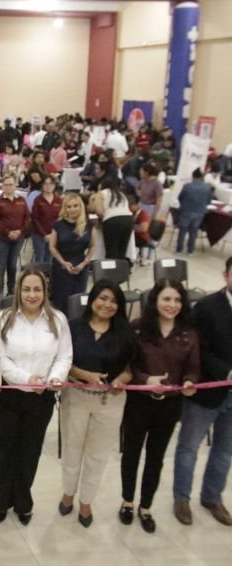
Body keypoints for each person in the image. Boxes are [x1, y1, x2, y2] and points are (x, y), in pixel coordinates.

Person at [0, 266, 72, 525]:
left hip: (41, 398)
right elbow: (0, 359)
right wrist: (27, 379)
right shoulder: (3, 319)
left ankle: (23, 502)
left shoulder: (58, 320)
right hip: (9, 396)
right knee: (7, 449)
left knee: (30, 451)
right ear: (18, 291)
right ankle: (2, 501)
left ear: (45, 291)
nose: (32, 295)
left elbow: (64, 356)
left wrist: (54, 378)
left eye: (37, 289)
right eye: (26, 289)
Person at [120, 278, 199, 533]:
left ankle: (146, 506)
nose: (172, 305)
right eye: (166, 299)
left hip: (169, 407)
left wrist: (189, 382)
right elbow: (128, 365)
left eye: (177, 300)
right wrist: (146, 380)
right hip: (138, 404)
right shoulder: (137, 329)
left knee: (155, 458)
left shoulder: (188, 334)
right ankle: (127, 501)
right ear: (155, 300)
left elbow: (193, 368)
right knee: (131, 453)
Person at [59, 281, 135, 528]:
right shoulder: (73, 327)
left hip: (110, 402)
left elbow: (131, 369)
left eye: (113, 301)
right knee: (72, 450)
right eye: (103, 298)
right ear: (92, 299)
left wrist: (122, 379)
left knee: (97, 455)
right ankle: (68, 493)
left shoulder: (125, 332)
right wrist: (85, 375)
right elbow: (62, 362)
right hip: (76, 397)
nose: (107, 305)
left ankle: (86, 501)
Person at [173, 257, 232, 526]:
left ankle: (212, 497)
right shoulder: (207, 307)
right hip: (206, 392)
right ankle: (181, 498)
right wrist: (226, 373)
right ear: (225, 275)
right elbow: (196, 351)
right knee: (188, 447)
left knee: (225, 450)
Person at [49, 193, 95, 312]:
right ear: (65, 208)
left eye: (75, 206)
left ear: (81, 207)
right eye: (69, 206)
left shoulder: (89, 225)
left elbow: (92, 246)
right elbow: (52, 247)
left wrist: (84, 263)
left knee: (78, 301)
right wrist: (63, 263)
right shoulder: (58, 225)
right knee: (61, 301)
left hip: (81, 266)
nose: (72, 209)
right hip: (61, 266)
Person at [0, 174, 28, 293]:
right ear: (2, 186)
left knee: (12, 264)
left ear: (15, 185)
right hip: (1, 238)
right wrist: (8, 232)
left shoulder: (22, 200)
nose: (8, 187)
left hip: (18, 238)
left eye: (10, 184)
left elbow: (26, 218)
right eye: (5, 185)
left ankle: (11, 289)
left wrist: (20, 231)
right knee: (1, 264)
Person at [90, 177, 132, 260]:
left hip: (113, 221)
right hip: (128, 220)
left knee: (111, 251)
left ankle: (112, 267)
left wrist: (104, 217)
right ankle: (121, 267)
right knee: (122, 250)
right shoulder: (121, 194)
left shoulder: (101, 193)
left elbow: (98, 211)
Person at [176, 168, 213, 255]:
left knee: (182, 231)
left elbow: (180, 198)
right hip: (199, 213)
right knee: (193, 232)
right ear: (202, 177)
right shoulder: (207, 188)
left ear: (193, 176)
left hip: (186, 211)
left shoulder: (187, 186)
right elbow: (209, 201)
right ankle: (190, 251)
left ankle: (179, 250)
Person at [30, 175, 62, 263]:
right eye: (46, 184)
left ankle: (48, 273)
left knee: (50, 259)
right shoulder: (38, 200)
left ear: (54, 186)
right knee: (39, 259)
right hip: (39, 234)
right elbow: (35, 219)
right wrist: (44, 234)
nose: (48, 186)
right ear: (42, 185)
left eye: (51, 184)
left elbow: (60, 218)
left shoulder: (59, 200)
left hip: (53, 234)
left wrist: (53, 234)